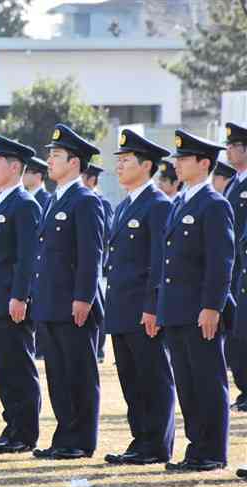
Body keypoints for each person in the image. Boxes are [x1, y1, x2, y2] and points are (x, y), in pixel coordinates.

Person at [160, 130, 233, 472]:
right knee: (187, 383)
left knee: (207, 379)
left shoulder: (215, 204)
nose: (177, 163)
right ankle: (196, 448)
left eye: (184, 158)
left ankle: (213, 451)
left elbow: (221, 261)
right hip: (176, 309)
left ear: (204, 163)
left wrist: (212, 306)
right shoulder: (180, 202)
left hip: (200, 309)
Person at [31, 124, 105, 460]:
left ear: (74, 163)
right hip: (51, 302)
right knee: (58, 374)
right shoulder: (54, 199)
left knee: (79, 373)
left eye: (56, 156)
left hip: (73, 303)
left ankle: (81, 439)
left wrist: (84, 298)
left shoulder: (85, 200)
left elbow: (91, 254)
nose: (49, 161)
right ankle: (64, 436)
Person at [103, 129, 176, 466]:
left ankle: (156, 444)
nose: (118, 166)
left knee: (153, 377)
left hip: (142, 310)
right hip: (121, 309)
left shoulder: (158, 205)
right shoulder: (124, 206)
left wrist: (153, 306)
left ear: (147, 166)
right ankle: (140, 439)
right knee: (132, 380)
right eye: (117, 161)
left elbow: (160, 262)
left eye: (126, 161)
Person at [0, 135, 42, 455]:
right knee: (2, 368)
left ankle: (25, 432)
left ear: (15, 168)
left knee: (18, 367)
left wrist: (21, 296)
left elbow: (27, 256)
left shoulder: (25, 204)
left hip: (11, 302)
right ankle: (11, 426)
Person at [223, 122, 247, 413]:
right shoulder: (234, 183)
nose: (228, 151)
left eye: (232, 146)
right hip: (233, 271)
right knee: (237, 334)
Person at [83, 163, 114, 362]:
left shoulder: (101, 202)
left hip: (97, 263)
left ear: (92, 180)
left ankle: (100, 348)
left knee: (97, 306)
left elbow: (105, 235)